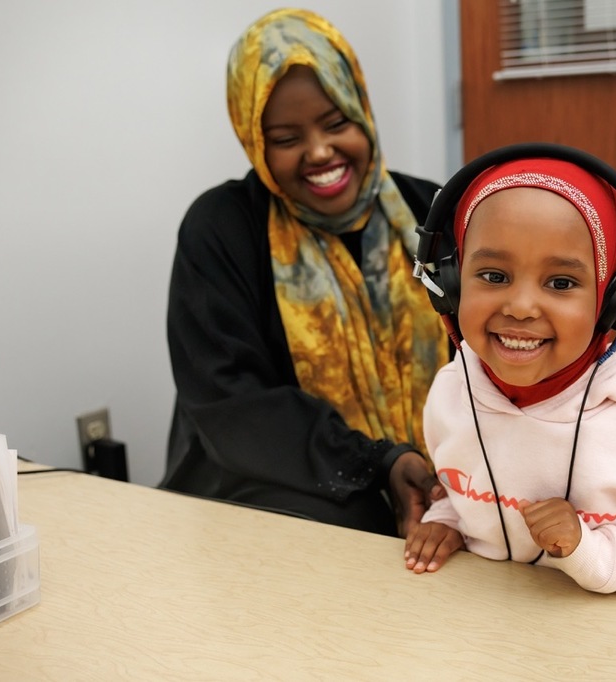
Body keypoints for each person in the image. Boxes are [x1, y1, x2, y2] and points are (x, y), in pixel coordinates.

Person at [403, 153, 616, 596]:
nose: (520, 307)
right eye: (493, 275)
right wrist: (449, 522)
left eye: (561, 283)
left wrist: (590, 550)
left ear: (613, 302)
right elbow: (468, 496)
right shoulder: (453, 390)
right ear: (451, 286)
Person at [161, 8, 449, 537]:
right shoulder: (221, 229)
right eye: (287, 138)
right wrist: (379, 463)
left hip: (439, 474)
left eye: (336, 123)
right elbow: (235, 406)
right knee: (355, 524)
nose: (320, 152)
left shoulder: (431, 209)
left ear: (362, 111)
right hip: (273, 481)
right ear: (256, 141)